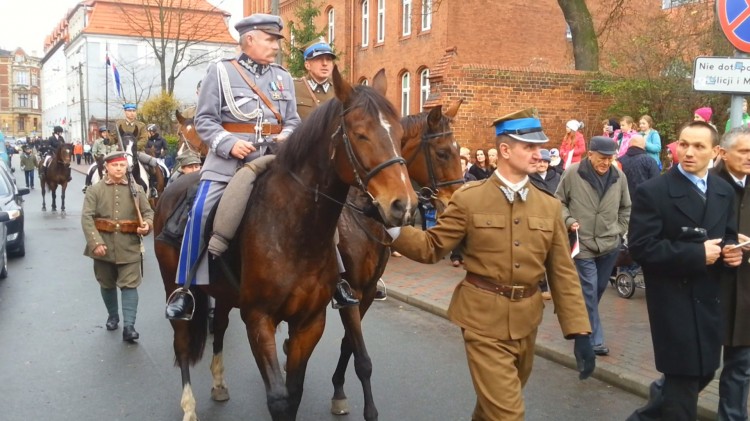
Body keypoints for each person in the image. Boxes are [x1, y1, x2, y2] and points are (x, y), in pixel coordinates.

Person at [385, 108, 595, 420]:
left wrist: (580, 331)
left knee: (491, 410)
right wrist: (390, 228)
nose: (539, 154)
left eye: (539, 147)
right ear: (505, 150)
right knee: (508, 414)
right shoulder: (470, 199)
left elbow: (562, 272)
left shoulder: (549, 207)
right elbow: (432, 247)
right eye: (530, 147)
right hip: (482, 320)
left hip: (527, 321)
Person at [165, 13, 303, 320]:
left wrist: (286, 135)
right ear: (250, 39)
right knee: (201, 211)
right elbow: (204, 120)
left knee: (315, 201)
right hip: (229, 163)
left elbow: (293, 120)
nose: (275, 47)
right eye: (270, 40)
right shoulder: (222, 72)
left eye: (276, 41)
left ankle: (340, 277)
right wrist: (229, 143)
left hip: (275, 161)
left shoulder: (283, 77)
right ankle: (186, 287)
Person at [627, 121, 741, 421]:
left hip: (709, 300)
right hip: (673, 302)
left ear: (715, 152)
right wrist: (695, 253)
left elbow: (727, 233)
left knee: (703, 372)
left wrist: (732, 252)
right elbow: (641, 247)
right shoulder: (654, 191)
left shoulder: (723, 190)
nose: (688, 152)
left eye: (698, 146)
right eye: (683, 144)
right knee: (683, 385)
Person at [555, 136, 631, 357]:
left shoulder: (619, 176)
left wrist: (619, 229)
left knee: (596, 290)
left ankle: (576, 321)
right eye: (602, 158)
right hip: (583, 242)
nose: (606, 163)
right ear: (590, 154)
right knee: (589, 290)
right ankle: (593, 339)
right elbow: (558, 201)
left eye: (610, 158)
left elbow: (626, 206)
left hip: (609, 244)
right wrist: (569, 222)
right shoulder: (573, 173)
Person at [81, 151, 154, 342]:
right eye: (115, 166)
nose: (119, 169)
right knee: (106, 284)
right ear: (107, 167)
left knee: (130, 286)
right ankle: (113, 315)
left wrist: (147, 225)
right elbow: (87, 218)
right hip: (103, 245)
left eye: (122, 166)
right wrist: (95, 243)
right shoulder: (94, 190)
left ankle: (129, 326)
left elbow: (148, 213)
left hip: (129, 246)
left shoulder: (136, 189)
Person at [713, 127, 750, 421]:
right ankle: (656, 410)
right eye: (744, 151)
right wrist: (723, 243)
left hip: (746, 294)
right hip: (711, 291)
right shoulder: (706, 186)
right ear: (723, 154)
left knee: (741, 367)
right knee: (697, 370)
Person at [293, 37, 336, 121]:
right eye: (319, 59)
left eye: (329, 59)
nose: (325, 64)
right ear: (307, 65)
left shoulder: (338, 91)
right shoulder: (294, 88)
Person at [618, 135, 660, 203]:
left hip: (622, 203)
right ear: (644, 146)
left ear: (629, 145)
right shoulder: (650, 161)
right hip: (643, 204)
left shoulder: (618, 161)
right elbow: (656, 184)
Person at [84, 126, 120, 192]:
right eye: (103, 132)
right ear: (100, 133)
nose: (105, 134)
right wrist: (96, 158)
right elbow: (94, 151)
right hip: (100, 159)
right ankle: (87, 185)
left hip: (110, 159)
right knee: (91, 168)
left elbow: (114, 150)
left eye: (106, 132)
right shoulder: (97, 142)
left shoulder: (112, 141)